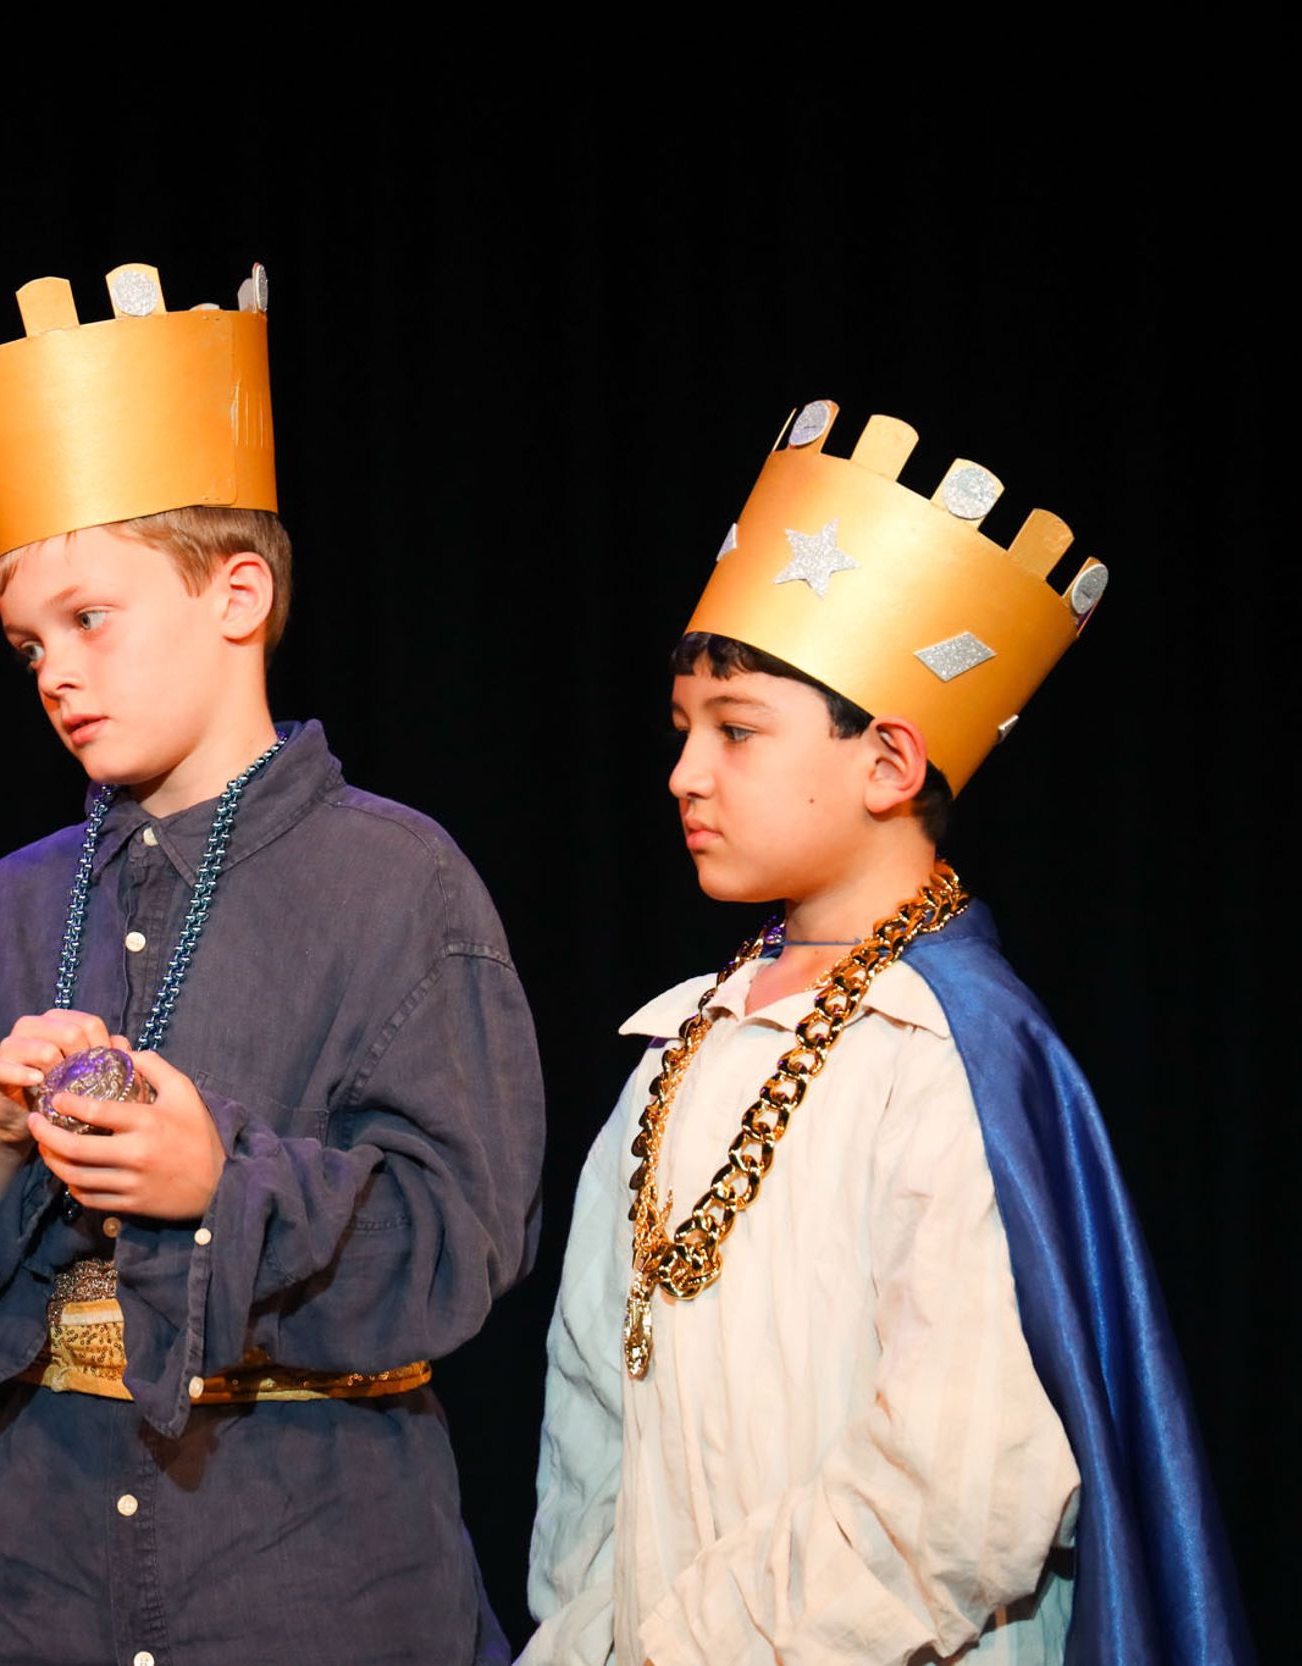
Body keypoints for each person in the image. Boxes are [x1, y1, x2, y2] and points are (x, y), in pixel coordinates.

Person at [0, 262, 546, 1665]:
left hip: (311, 1580)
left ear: (238, 593)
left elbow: (463, 1239)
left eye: (89, 617)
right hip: (28, 1588)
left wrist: (221, 1186)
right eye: (28, 643)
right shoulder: (10, 907)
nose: (54, 671)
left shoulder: (400, 883)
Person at [520, 400, 1248, 1664]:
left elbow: (964, 1488)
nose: (685, 772)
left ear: (888, 763)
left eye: (736, 729)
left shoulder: (948, 1056)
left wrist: (687, 1647)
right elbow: (591, 1422)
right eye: (683, 729)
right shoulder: (680, 1044)